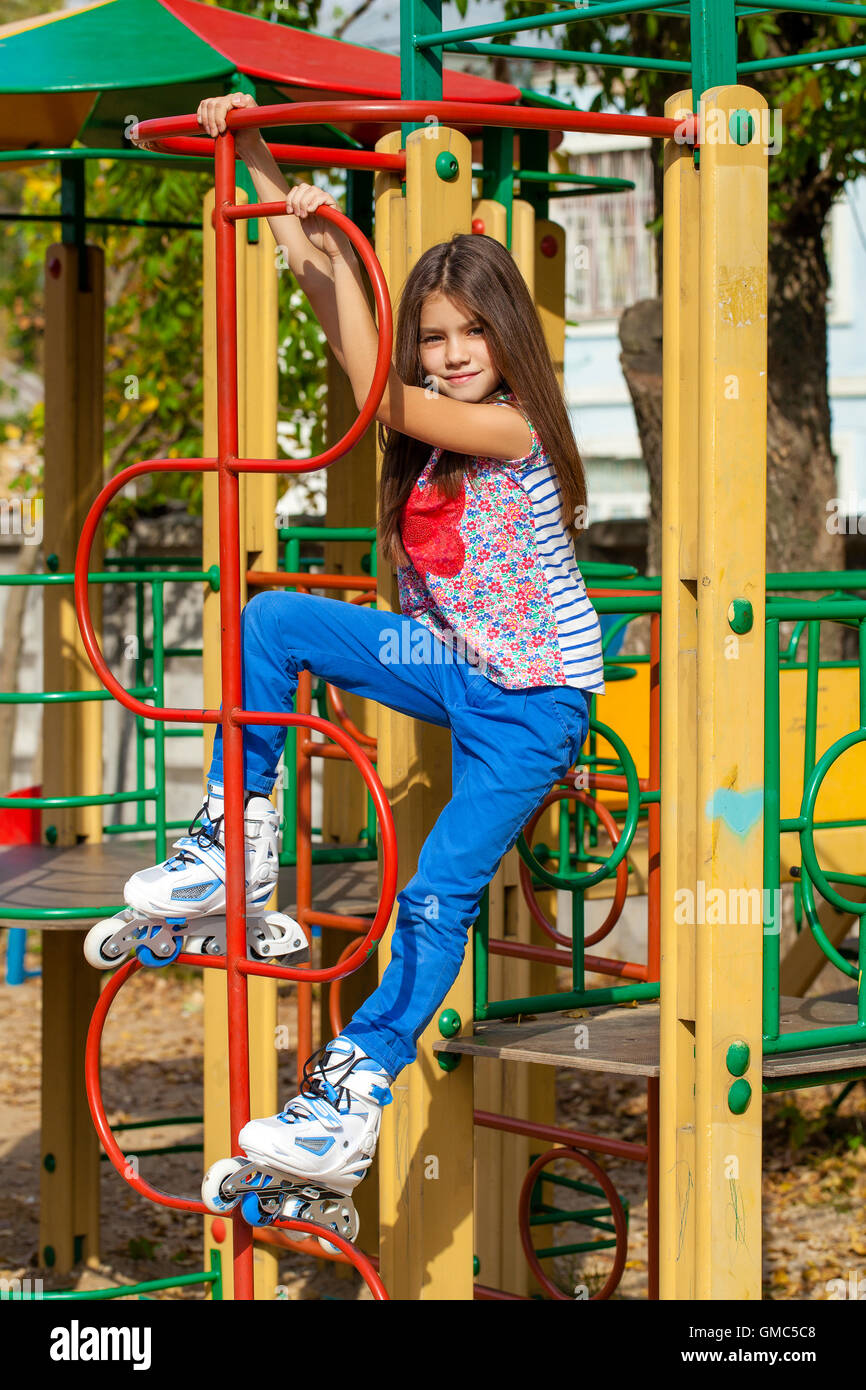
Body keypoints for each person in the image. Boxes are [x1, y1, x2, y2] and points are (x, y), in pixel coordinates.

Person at [130, 93, 606, 1216]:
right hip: (452, 659)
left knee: (435, 896)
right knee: (274, 623)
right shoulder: (437, 425)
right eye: (431, 337)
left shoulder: (511, 429)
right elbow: (329, 309)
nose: (448, 357)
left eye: (467, 335)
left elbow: (371, 390)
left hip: (533, 701)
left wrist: (335, 250)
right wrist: (259, 165)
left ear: (507, 340)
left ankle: (352, 1091)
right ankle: (235, 846)